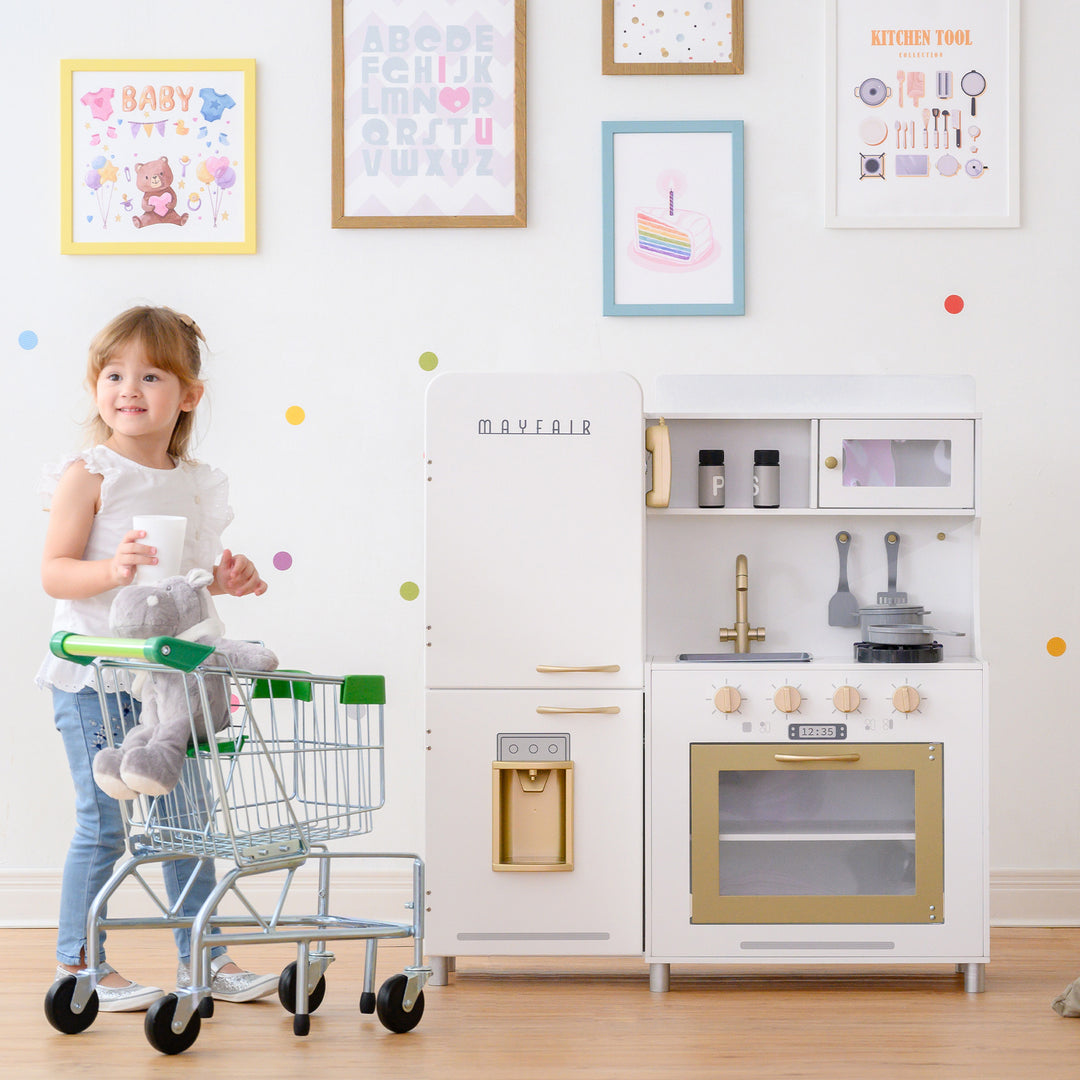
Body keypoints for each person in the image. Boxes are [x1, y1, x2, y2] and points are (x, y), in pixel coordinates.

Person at [38, 306, 277, 1010]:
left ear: (188, 395)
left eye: (150, 375)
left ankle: (206, 956)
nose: (128, 389)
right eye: (113, 374)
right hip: (94, 679)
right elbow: (54, 572)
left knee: (188, 821)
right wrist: (111, 570)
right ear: (95, 386)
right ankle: (80, 965)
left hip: (168, 689)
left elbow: (185, 588)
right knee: (103, 822)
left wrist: (228, 579)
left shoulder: (194, 483)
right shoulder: (91, 474)